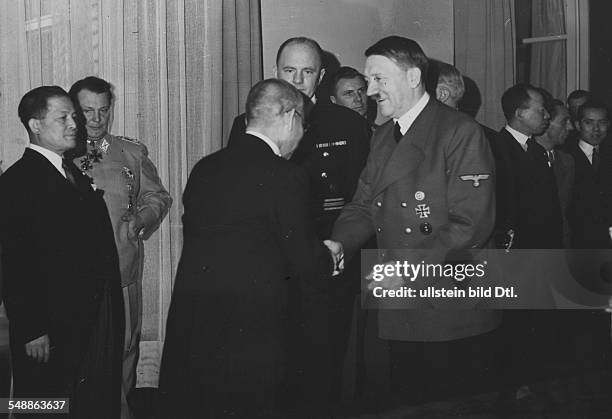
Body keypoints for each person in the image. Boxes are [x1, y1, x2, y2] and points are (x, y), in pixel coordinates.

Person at [328, 36, 499, 405]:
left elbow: (470, 225)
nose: (370, 90)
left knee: (447, 403)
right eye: (368, 80)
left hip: (447, 306)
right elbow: (362, 204)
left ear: (412, 77)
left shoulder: (459, 132)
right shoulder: (384, 136)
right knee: (405, 397)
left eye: (379, 79)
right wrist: (338, 242)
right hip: (401, 302)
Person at [159, 78, 340, 418]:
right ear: (290, 117)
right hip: (256, 330)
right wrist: (328, 256)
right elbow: (303, 259)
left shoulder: (205, 168)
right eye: (304, 123)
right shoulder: (286, 176)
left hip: (200, 320)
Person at [228, 37, 372, 404]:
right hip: (271, 264)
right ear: (275, 73)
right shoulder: (246, 123)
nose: (297, 80)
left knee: (325, 364)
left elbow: (359, 197)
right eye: (289, 71)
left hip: (326, 257)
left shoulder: (347, 124)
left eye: (307, 72)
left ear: (321, 77)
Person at [0, 86, 123, 417]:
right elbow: (14, 263)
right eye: (63, 117)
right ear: (35, 125)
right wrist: (31, 328)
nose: (74, 124)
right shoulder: (17, 182)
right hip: (47, 329)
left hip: (83, 318)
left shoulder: (70, 173)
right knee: (41, 406)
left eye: (74, 116)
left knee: (79, 402)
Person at [69, 76, 172, 419]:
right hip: (77, 276)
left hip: (122, 270)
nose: (96, 119)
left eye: (103, 110)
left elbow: (158, 196)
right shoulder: (62, 154)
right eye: (87, 111)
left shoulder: (131, 151)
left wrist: (141, 220)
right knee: (80, 356)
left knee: (124, 351)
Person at [566, 99, 612, 249]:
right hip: (576, 244)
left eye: (602, 123)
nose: (596, 129)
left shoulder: (608, 155)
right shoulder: (565, 156)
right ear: (578, 125)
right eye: (589, 123)